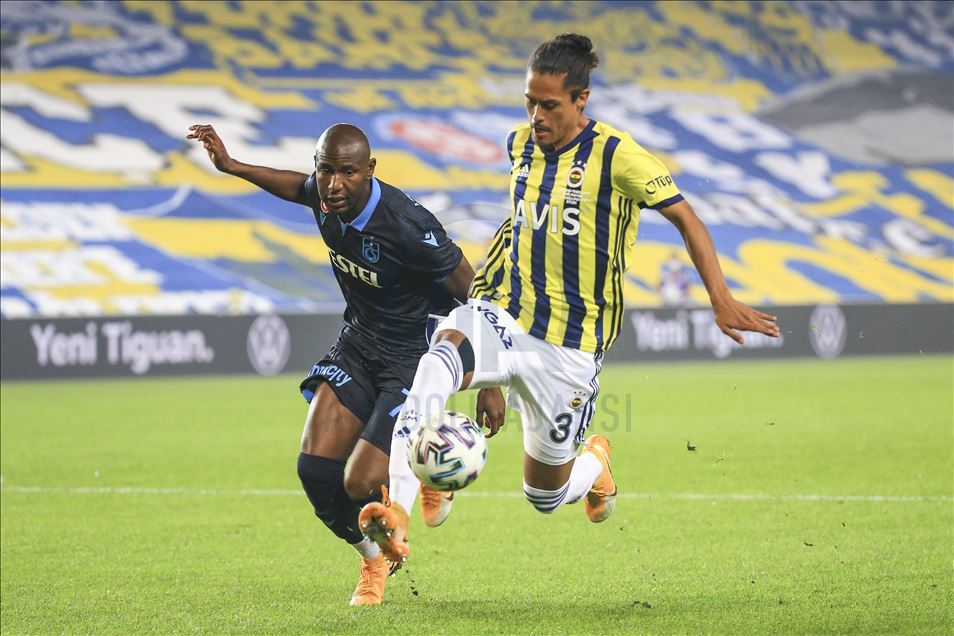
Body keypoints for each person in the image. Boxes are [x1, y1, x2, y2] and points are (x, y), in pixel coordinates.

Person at [358, 34, 779, 567]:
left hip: (570, 349)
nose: (536, 116)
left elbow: (686, 217)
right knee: (437, 362)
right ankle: (398, 508)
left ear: (581, 100)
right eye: (529, 102)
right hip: (508, 316)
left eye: (549, 105)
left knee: (545, 496)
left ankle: (595, 463)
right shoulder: (519, 145)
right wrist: (488, 372)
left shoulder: (618, 156)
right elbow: (515, 232)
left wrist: (720, 298)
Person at [186, 123, 505, 606]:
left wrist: (491, 378)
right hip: (358, 343)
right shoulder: (324, 196)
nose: (333, 185)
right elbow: (295, 187)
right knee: (316, 473)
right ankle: (373, 559)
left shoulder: (407, 225)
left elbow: (472, 290)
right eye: (326, 171)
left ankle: (427, 460)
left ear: (369, 170)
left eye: (347, 173)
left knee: (360, 481)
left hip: (410, 358)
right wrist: (232, 166)